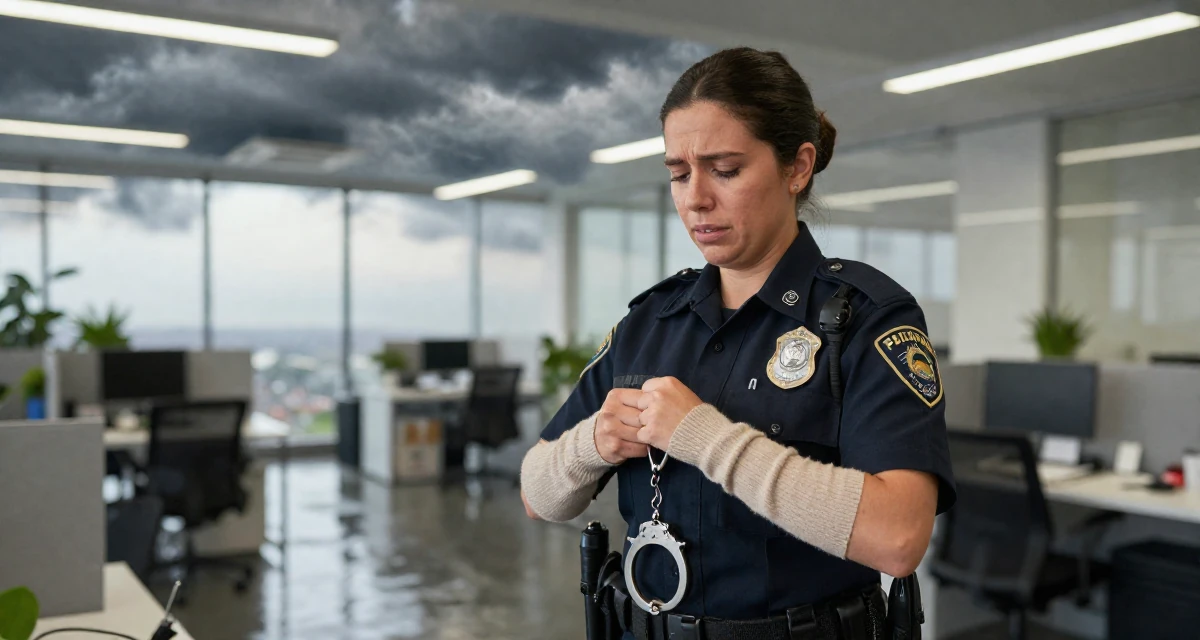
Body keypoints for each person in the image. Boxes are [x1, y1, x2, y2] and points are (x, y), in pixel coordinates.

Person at [521, 47, 956, 640]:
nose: (695, 197)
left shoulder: (865, 319)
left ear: (797, 167)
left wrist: (703, 438)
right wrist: (593, 442)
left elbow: (899, 537)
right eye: (678, 173)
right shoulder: (651, 322)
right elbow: (537, 495)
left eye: (724, 170)